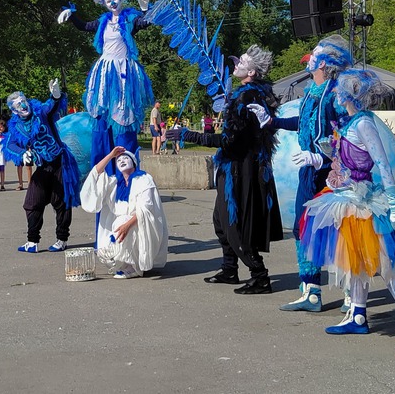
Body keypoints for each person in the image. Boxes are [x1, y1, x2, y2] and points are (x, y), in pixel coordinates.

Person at [299, 68, 395, 350]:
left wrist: (394, 204)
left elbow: (382, 164)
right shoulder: (350, 123)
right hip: (347, 198)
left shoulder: (363, 124)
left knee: (388, 266)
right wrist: (325, 154)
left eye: (338, 90)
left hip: (368, 202)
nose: (334, 92)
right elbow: (348, 160)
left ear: (350, 94)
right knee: (355, 260)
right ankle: (358, 315)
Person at [167, 45, 283, 294]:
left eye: (241, 62)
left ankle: (260, 275)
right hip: (235, 165)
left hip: (240, 168)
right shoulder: (251, 94)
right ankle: (230, 268)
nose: (236, 64)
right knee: (220, 221)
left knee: (234, 224)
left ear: (251, 71)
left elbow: (231, 141)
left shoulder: (246, 97)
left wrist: (189, 135)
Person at [249, 35, 352, 313]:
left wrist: (322, 157)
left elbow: (349, 133)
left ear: (326, 64)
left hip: (335, 174)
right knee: (303, 228)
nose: (310, 61)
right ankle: (311, 291)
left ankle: (352, 294)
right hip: (309, 172)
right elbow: (303, 122)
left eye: (315, 57)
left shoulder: (337, 95)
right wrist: (272, 121)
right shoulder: (311, 92)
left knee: (338, 231)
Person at [58, 0, 154, 167]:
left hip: (124, 73)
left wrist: (145, 9)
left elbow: (145, 23)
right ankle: (103, 171)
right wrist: (72, 15)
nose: (112, 2)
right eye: (108, 1)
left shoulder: (129, 19)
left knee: (123, 114)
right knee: (101, 116)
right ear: (104, 4)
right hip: (105, 72)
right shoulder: (103, 22)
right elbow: (84, 26)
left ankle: (126, 170)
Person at [2, 79, 81, 254]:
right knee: (32, 202)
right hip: (42, 167)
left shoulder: (40, 113)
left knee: (61, 202)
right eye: (18, 105)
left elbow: (51, 107)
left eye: (24, 101)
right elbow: (9, 145)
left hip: (60, 162)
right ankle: (32, 241)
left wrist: (55, 95)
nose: (23, 106)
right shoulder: (16, 126)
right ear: (14, 111)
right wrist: (23, 154)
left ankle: (62, 239)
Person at [82, 145, 168, 278]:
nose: (121, 160)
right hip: (121, 225)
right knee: (116, 231)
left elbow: (147, 209)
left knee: (122, 223)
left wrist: (127, 225)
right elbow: (96, 174)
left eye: (125, 158)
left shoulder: (144, 179)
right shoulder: (115, 183)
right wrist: (111, 155)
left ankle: (134, 267)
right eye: (118, 160)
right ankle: (126, 263)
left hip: (142, 222)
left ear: (133, 162)